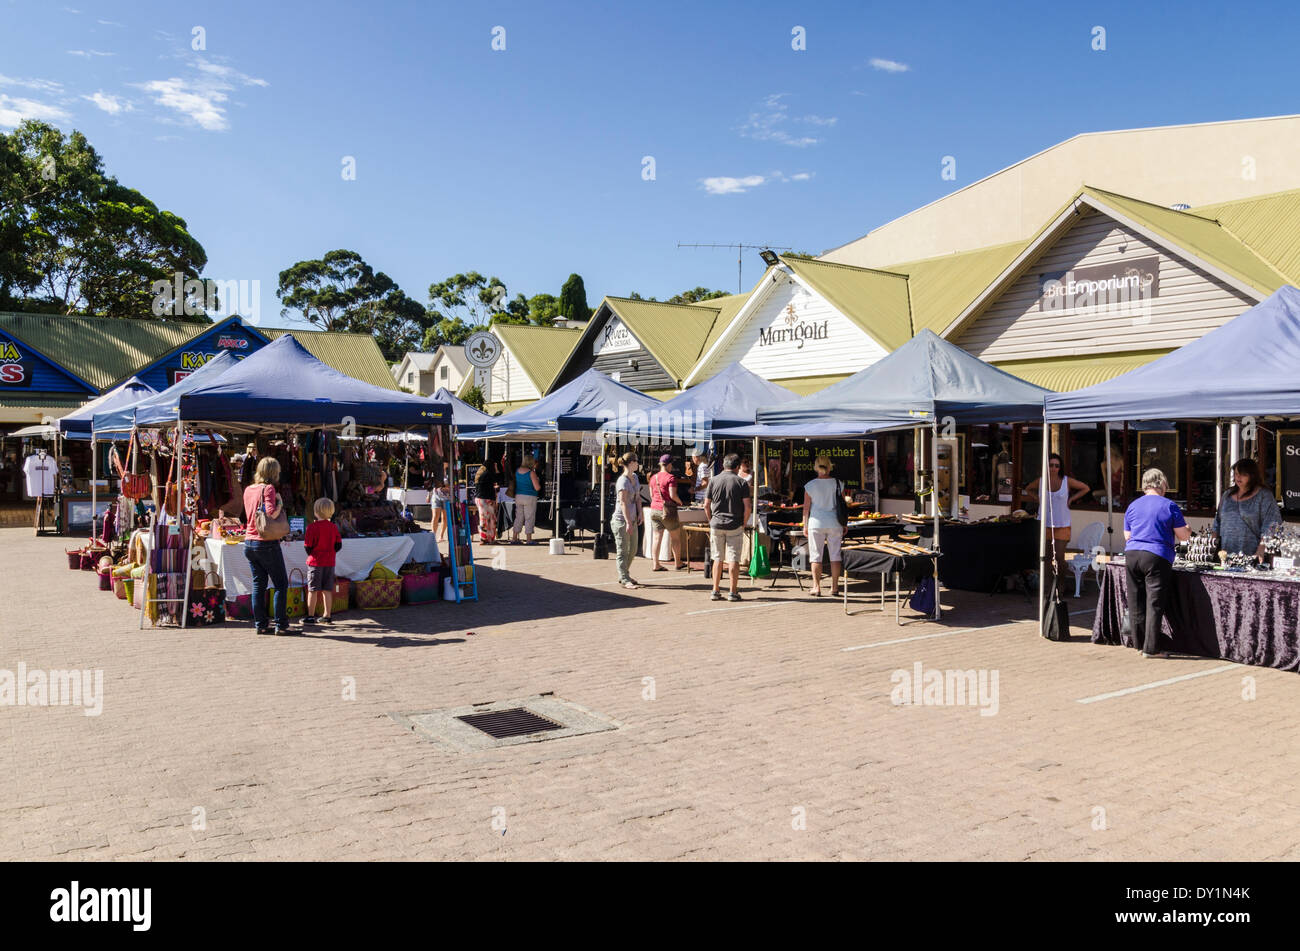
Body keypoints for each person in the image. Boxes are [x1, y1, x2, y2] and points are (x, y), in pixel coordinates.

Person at [1123, 468, 1192, 659]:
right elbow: (1183, 536)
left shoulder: (1133, 506)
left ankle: (1138, 643)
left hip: (1132, 554)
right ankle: (1151, 648)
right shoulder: (1169, 505)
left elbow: (1127, 536)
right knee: (1154, 603)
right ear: (1161, 483)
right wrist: (1188, 528)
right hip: (1156, 555)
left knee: (1135, 601)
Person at [1025, 453, 1091, 595]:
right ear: (1046, 467)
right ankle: (1048, 587)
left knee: (1060, 557)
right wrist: (1037, 498)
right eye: (1051, 465)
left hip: (1062, 523)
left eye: (1057, 465)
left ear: (1060, 468)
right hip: (1045, 523)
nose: (1054, 468)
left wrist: (1072, 499)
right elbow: (1028, 489)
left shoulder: (1066, 481)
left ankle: (1061, 584)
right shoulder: (1041, 481)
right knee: (1047, 557)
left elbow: (1085, 488)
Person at [243, 456, 292, 636]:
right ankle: (281, 624)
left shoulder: (249, 489)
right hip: (266, 543)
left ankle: (261, 624)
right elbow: (270, 513)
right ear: (273, 472)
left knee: (259, 585)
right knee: (280, 584)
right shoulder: (269, 488)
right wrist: (279, 502)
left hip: (249, 542)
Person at [1210, 458, 1282, 558]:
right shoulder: (1227, 495)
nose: (1238, 477)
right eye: (1236, 473)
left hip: (1253, 554)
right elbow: (1217, 522)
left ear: (1252, 476)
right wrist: (1212, 546)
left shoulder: (1264, 495)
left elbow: (1272, 524)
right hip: (1225, 553)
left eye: (1243, 474)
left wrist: (1261, 548)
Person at [705, 453, 752, 602]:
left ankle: (715, 589)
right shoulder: (742, 482)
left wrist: (710, 519)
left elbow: (706, 505)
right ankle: (733, 591)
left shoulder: (714, 480)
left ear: (724, 465)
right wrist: (744, 523)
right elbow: (748, 507)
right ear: (737, 467)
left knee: (717, 558)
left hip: (716, 523)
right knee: (733, 559)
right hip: (734, 524)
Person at [801, 454, 845, 598]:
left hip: (816, 522)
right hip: (835, 522)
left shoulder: (810, 485)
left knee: (816, 556)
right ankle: (835, 587)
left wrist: (804, 525)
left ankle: (816, 586)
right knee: (835, 554)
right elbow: (843, 505)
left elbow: (806, 508)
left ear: (816, 467)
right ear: (830, 466)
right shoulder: (838, 483)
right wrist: (845, 523)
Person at [302, 497, 342, 627]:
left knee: (312, 590)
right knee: (327, 590)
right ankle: (327, 615)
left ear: (316, 511)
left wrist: (315, 553)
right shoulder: (333, 527)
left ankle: (310, 616)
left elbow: (307, 547)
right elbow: (338, 546)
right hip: (330, 563)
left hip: (315, 562)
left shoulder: (312, 527)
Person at [610, 452, 643, 589]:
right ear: (630, 463)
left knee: (633, 549)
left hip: (633, 519)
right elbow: (623, 502)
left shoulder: (635, 477)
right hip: (621, 520)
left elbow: (637, 498)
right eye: (636, 461)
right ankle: (624, 578)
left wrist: (640, 513)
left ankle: (625, 573)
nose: (638, 463)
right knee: (623, 550)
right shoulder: (622, 481)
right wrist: (628, 522)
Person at [648, 454, 686, 572]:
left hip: (654, 509)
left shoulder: (653, 477)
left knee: (656, 538)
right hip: (667, 511)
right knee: (675, 537)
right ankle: (678, 562)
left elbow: (651, 495)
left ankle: (656, 564)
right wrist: (680, 502)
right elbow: (672, 495)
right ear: (669, 464)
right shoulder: (671, 478)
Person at [511, 453, 542, 544]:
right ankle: (528, 539)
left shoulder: (517, 471)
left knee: (518, 517)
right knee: (529, 517)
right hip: (529, 496)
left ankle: (514, 538)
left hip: (518, 496)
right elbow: (537, 487)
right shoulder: (531, 473)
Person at [474, 464, 498, 543]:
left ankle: (483, 538)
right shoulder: (489, 475)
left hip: (479, 499)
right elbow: (495, 486)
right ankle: (490, 538)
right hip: (487, 499)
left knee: (483, 519)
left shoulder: (479, 475)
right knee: (491, 520)